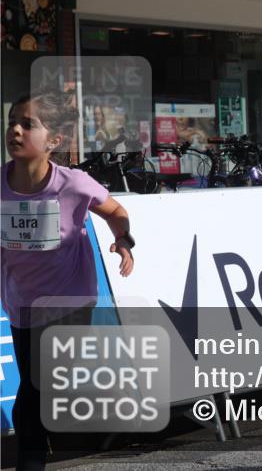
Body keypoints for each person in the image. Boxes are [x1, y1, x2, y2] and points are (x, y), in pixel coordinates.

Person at [3, 93, 135, 471]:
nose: (15, 129)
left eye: (28, 124)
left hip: (70, 297)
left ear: (55, 141)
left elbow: (116, 211)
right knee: (36, 381)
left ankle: (31, 456)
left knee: (39, 385)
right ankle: (40, 444)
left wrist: (124, 241)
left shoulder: (73, 183)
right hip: (22, 299)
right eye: (12, 121)